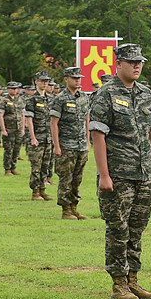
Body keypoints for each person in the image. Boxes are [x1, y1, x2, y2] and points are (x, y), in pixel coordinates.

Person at [88, 43, 151, 299]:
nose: (137, 66)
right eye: (131, 62)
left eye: (139, 62)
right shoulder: (106, 94)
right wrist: (105, 175)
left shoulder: (146, 94)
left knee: (137, 228)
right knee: (118, 229)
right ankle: (119, 282)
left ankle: (133, 279)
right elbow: (97, 136)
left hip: (142, 174)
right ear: (118, 63)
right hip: (118, 175)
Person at [49, 66, 90, 220]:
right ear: (66, 79)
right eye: (74, 78)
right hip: (66, 146)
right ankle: (66, 209)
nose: (78, 81)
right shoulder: (60, 98)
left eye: (79, 78)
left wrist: (87, 140)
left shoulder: (83, 97)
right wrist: (57, 146)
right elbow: (54, 123)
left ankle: (74, 207)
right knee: (66, 178)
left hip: (81, 145)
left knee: (77, 179)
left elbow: (87, 118)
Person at [25, 71, 54, 201]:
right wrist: (32, 137)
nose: (44, 83)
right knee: (36, 166)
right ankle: (35, 191)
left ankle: (43, 189)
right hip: (37, 137)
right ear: (36, 82)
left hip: (48, 137)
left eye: (46, 81)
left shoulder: (50, 99)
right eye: (42, 81)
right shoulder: (32, 99)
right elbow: (29, 120)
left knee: (45, 165)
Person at [0, 81, 25, 176]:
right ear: (8, 89)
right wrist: (3, 129)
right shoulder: (4, 100)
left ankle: (13, 167)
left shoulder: (19, 100)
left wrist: (22, 129)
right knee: (8, 149)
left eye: (16, 88)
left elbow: (22, 114)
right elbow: (0, 115)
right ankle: (7, 169)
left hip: (18, 129)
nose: (14, 90)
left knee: (16, 149)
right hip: (9, 129)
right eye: (12, 88)